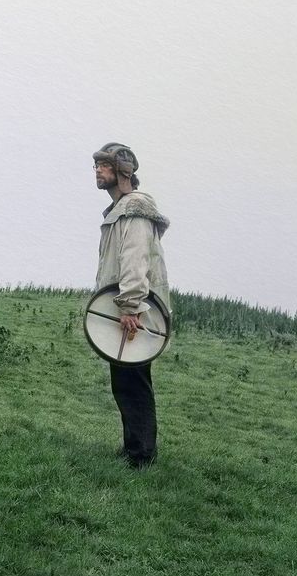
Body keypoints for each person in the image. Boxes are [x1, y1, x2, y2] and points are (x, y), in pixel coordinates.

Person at [93, 142, 171, 469]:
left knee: (134, 383)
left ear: (122, 172)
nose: (97, 171)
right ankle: (133, 448)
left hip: (136, 312)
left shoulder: (135, 210)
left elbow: (135, 261)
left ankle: (141, 457)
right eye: (97, 165)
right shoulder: (121, 209)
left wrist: (130, 307)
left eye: (104, 165)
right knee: (124, 382)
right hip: (127, 308)